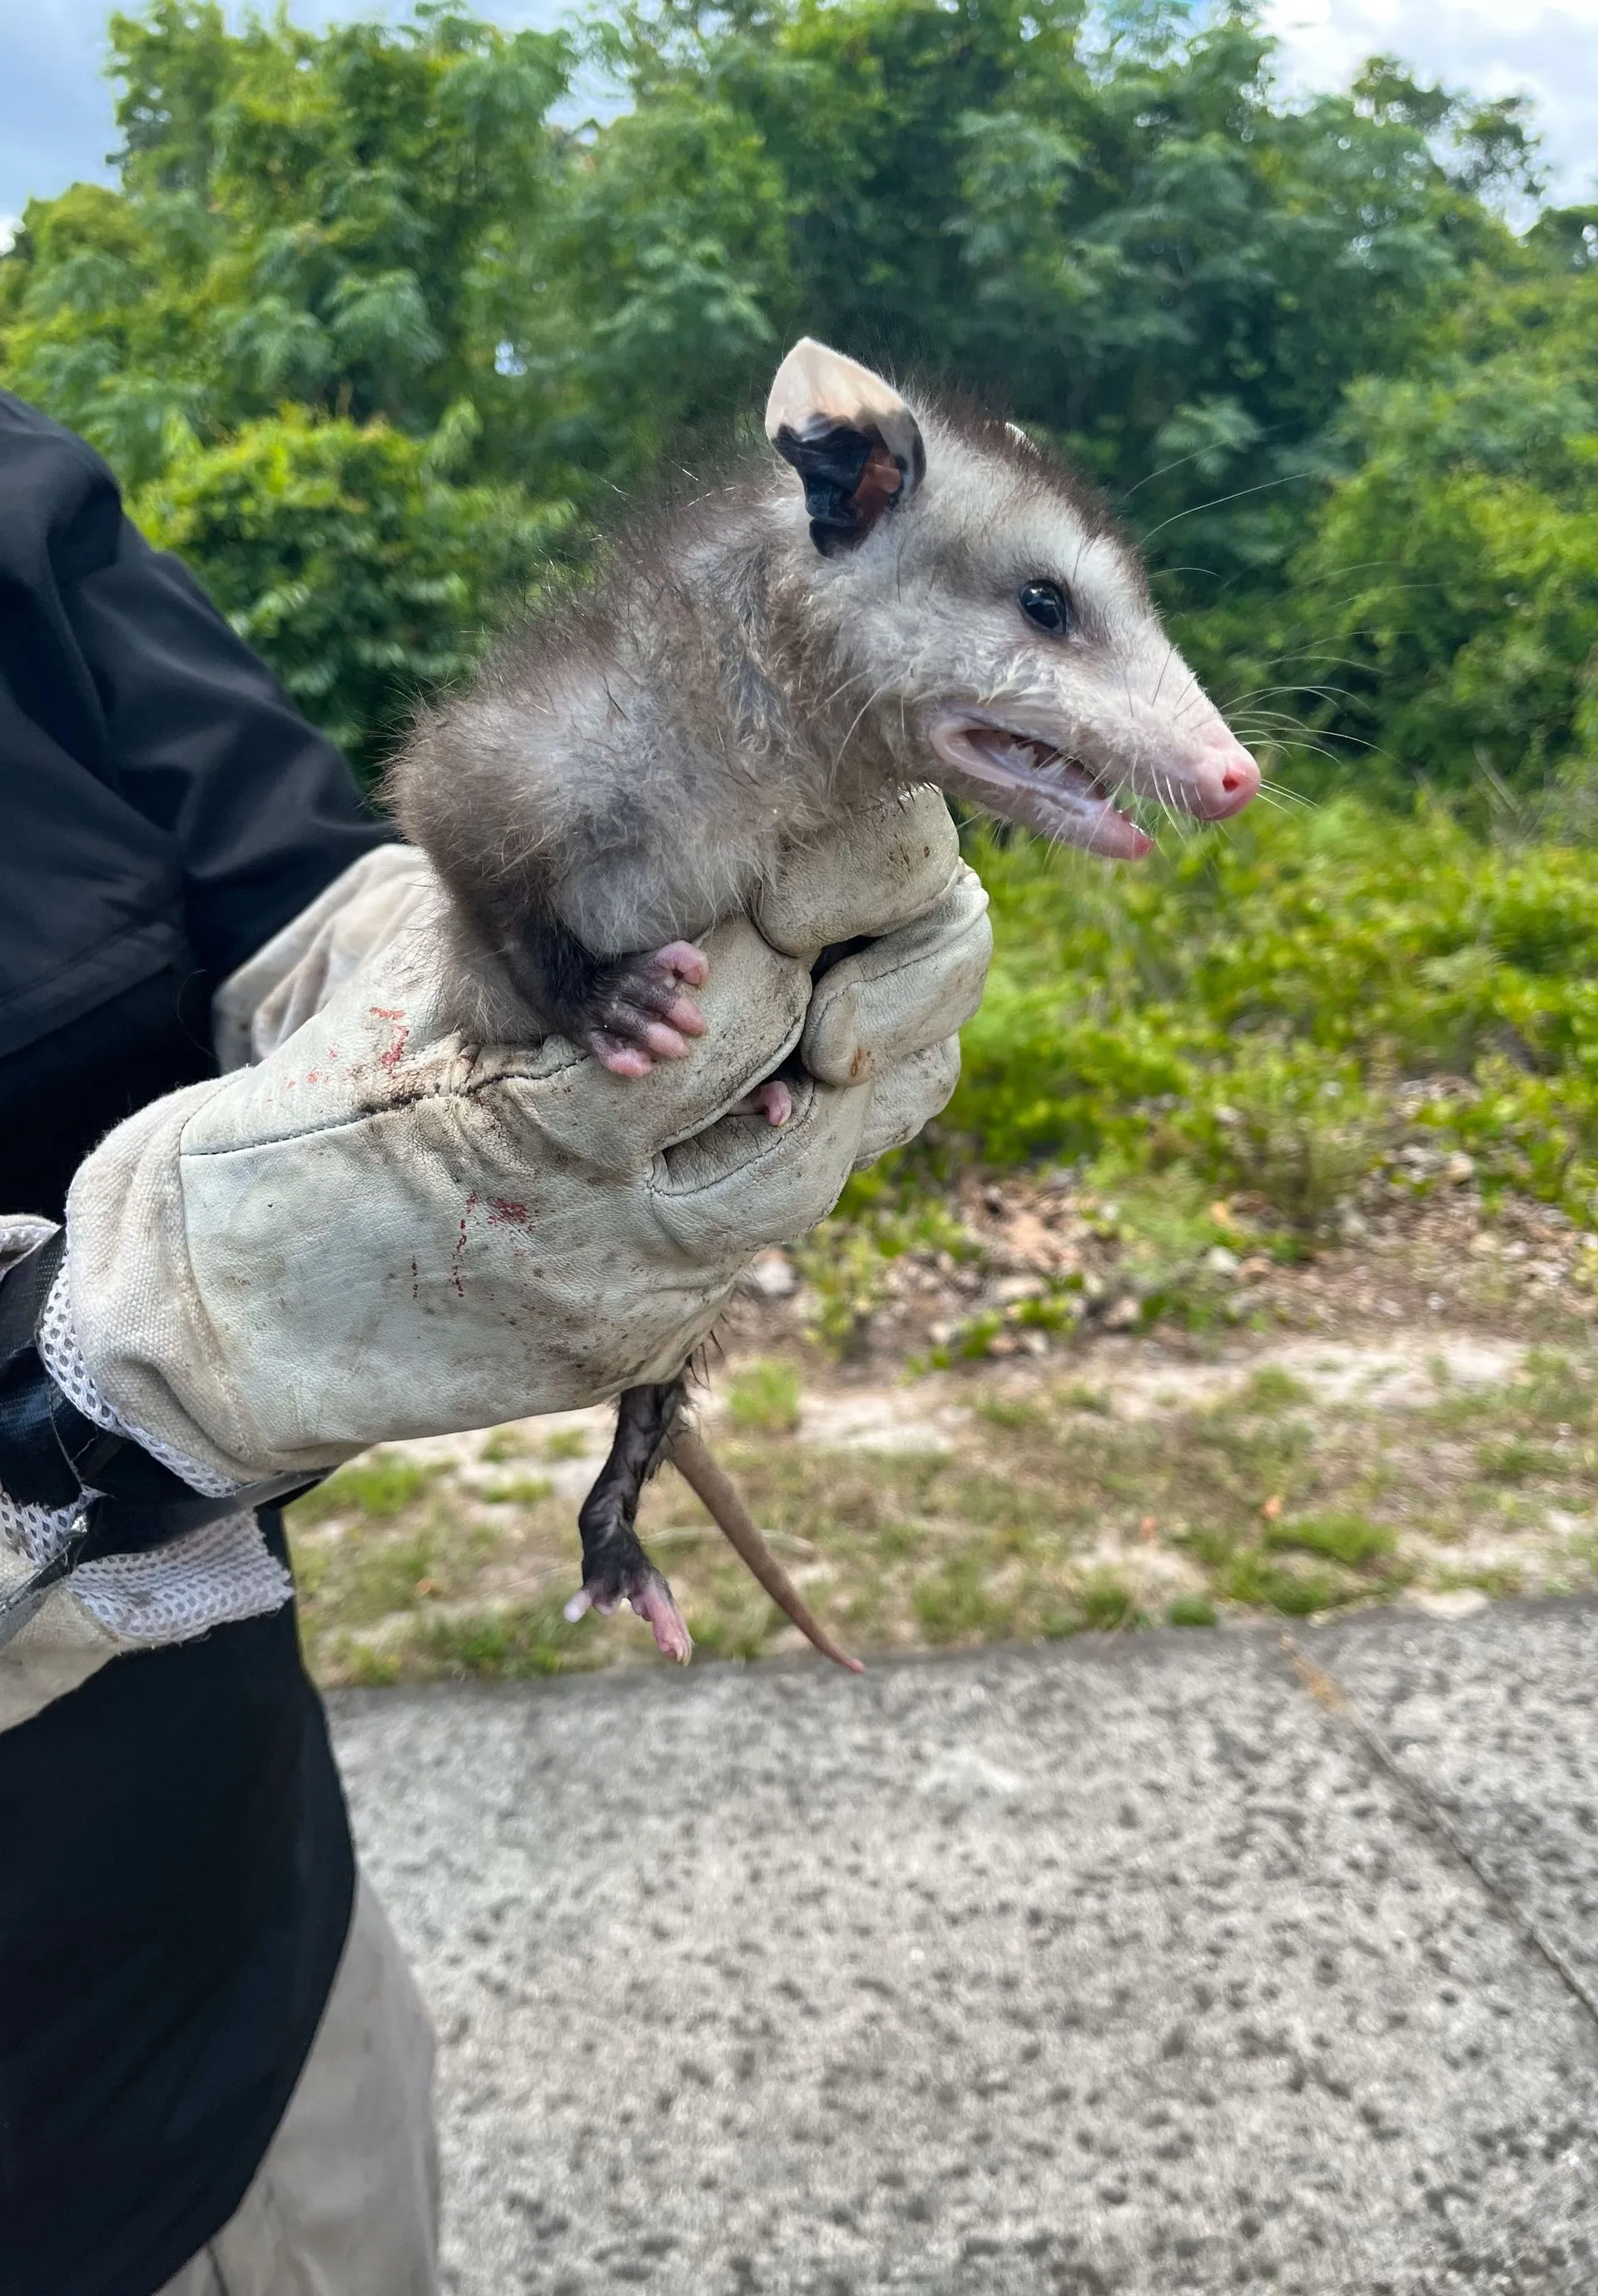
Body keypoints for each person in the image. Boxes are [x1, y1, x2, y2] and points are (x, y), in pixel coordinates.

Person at [0, 389, 991, 2296]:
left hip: (238, 1983)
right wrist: (85, 1396)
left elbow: (329, 873)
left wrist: (454, 1023)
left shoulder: (14, 493)